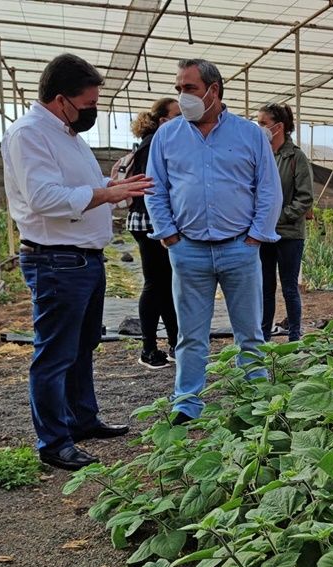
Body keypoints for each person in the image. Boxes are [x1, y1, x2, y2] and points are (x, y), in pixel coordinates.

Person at [1, 53, 153, 470]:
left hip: (84, 259)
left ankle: (82, 420)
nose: (92, 111)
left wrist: (111, 185)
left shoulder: (67, 134)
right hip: (56, 261)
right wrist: (105, 195)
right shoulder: (29, 134)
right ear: (60, 98)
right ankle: (54, 442)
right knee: (54, 354)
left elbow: (78, 186)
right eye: (87, 104)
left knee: (83, 346)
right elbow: (44, 199)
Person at [146, 59, 282, 425]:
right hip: (188, 250)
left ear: (213, 91)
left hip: (239, 247)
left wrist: (255, 236)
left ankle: (256, 402)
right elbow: (155, 189)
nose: (181, 95)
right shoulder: (168, 136)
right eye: (178, 88)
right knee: (190, 336)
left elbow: (269, 189)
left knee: (250, 333)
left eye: (188, 88)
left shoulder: (250, 135)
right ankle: (187, 403)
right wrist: (169, 233)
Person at [125, 97, 181, 369]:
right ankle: (148, 348)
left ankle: (174, 342)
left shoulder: (151, 143)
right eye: (177, 115)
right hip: (150, 222)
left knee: (165, 284)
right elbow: (154, 190)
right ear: (163, 121)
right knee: (156, 284)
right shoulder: (154, 145)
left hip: (149, 221)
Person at [256, 103, 314, 342]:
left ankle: (294, 337)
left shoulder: (296, 157)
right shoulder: (261, 154)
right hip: (264, 234)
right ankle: (263, 336)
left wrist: (279, 216)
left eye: (262, 123)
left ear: (278, 127)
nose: (259, 128)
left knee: (289, 287)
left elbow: (305, 198)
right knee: (265, 288)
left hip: (289, 234)